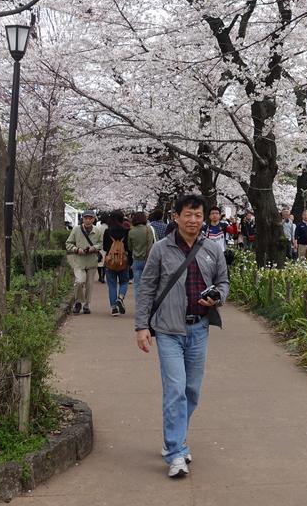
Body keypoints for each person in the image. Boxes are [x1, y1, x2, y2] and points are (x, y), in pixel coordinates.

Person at [135, 194, 229, 479]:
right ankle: (176, 451)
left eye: (198, 215)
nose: (193, 220)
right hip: (167, 331)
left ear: (204, 218)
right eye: (187, 215)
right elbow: (146, 288)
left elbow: (223, 282)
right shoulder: (161, 250)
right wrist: (141, 326)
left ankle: (175, 439)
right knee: (175, 390)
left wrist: (217, 297)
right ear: (176, 217)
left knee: (192, 392)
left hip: (199, 328)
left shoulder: (212, 248)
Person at [64, 211, 100, 314]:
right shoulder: (76, 229)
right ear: (83, 219)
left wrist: (93, 248)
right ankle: (78, 301)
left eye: (90, 218)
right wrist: (76, 249)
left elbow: (100, 244)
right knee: (79, 282)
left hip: (91, 261)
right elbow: (68, 243)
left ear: (93, 219)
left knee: (89, 286)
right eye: (86, 218)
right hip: (79, 261)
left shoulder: (97, 231)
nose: (88, 220)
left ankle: (86, 305)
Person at [103, 209, 133, 315]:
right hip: (123, 261)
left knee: (112, 285)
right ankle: (120, 297)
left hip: (110, 261)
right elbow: (129, 248)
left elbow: (105, 247)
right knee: (124, 282)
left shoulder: (107, 231)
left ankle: (114, 308)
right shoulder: (127, 231)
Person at [129, 211, 156, 293]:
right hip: (148, 259)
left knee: (137, 284)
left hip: (136, 259)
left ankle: (139, 303)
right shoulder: (149, 230)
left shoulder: (131, 231)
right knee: (148, 283)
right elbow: (152, 244)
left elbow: (130, 247)